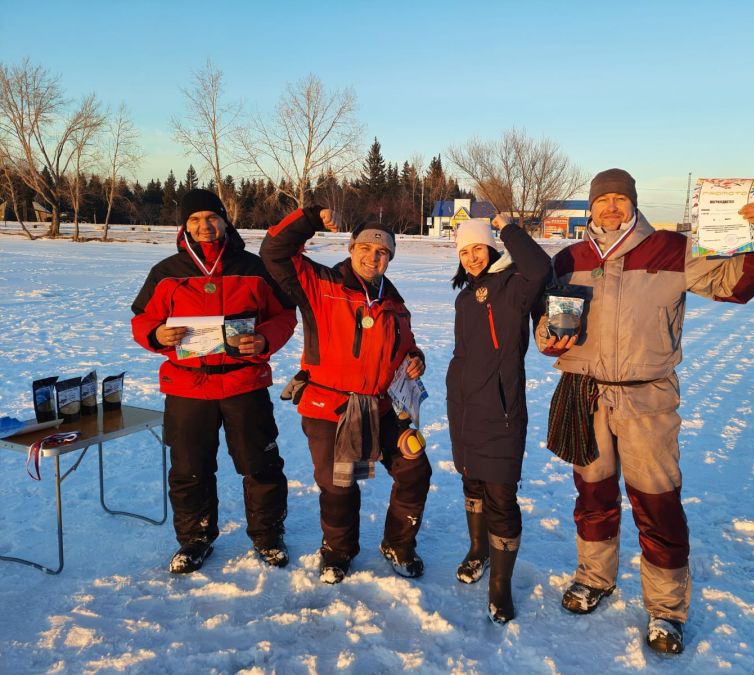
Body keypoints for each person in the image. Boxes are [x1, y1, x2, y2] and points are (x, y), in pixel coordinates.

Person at [535, 169, 754, 654]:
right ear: (591, 205)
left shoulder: (672, 248)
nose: (610, 207)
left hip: (647, 399)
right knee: (593, 496)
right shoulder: (569, 257)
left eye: (618, 199)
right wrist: (548, 339)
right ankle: (594, 578)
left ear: (633, 203)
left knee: (657, 504)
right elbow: (545, 322)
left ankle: (666, 609)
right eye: (602, 199)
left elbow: (737, 284)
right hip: (585, 397)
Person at [260, 206, 430, 584]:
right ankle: (338, 551)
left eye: (383, 252)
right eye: (367, 247)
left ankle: (398, 544)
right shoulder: (320, 283)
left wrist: (415, 359)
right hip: (330, 406)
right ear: (352, 248)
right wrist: (310, 219)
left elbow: (406, 347)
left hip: (381, 408)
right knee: (339, 483)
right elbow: (273, 251)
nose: (374, 256)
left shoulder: (396, 305)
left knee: (414, 468)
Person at [131, 189, 297, 573]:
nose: (203, 227)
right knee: (190, 469)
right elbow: (142, 319)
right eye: (194, 220)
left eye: (210, 217)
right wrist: (157, 336)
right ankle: (195, 539)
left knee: (261, 465)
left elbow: (284, 315)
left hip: (244, 384)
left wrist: (265, 338)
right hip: (189, 387)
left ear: (225, 220)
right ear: (184, 225)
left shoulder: (254, 267)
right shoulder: (166, 271)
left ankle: (268, 534)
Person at [447, 216, 551, 624]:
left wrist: (507, 227)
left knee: (501, 497)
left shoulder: (514, 286)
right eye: (464, 252)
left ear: (491, 248)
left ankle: (500, 586)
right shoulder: (463, 299)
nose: (472, 258)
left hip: (502, 410)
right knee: (471, 479)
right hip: (464, 406)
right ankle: (478, 551)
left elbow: (541, 266)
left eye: (477, 249)